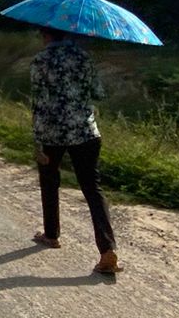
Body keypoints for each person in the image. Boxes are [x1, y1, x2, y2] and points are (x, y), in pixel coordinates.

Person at [29, 26, 119, 275]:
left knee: (49, 181)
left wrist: (37, 138)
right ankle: (107, 249)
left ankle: (51, 234)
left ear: (46, 35)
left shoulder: (41, 60)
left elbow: (37, 98)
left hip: (51, 133)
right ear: (67, 35)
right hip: (85, 132)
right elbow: (99, 93)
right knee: (92, 187)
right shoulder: (84, 58)